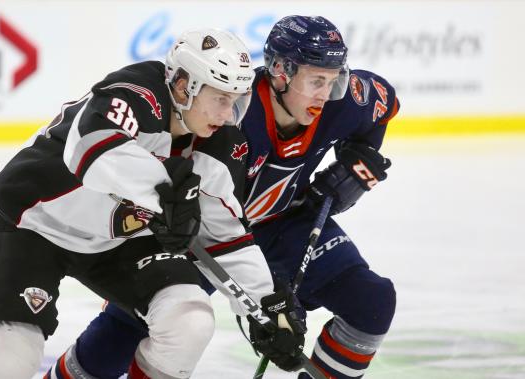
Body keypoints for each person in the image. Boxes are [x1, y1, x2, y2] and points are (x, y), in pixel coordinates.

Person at [45, 15, 400, 379]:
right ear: (281, 71)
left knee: (371, 302)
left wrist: (358, 167)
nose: (325, 95)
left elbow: (383, 105)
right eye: (316, 81)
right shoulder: (228, 110)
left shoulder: (344, 102)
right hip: (204, 233)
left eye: (334, 80)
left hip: (284, 223)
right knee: (121, 336)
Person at [0, 28, 308, 379]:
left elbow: (226, 235)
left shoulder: (218, 143)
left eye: (236, 100)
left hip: (122, 239)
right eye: (220, 98)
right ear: (185, 86)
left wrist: (267, 308)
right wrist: (166, 187)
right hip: (37, 223)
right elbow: (90, 151)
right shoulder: (138, 91)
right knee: (10, 357)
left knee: (190, 320)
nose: (228, 113)